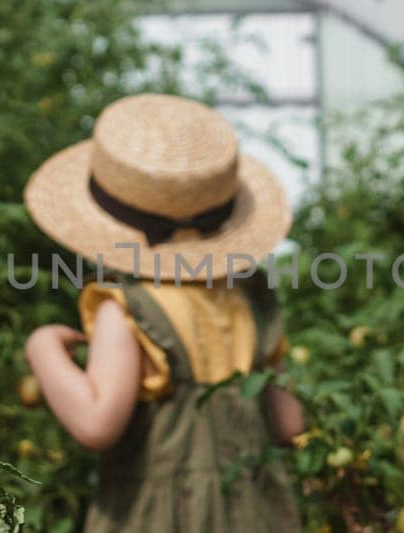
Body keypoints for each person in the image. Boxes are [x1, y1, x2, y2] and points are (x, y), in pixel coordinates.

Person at [22, 93, 306, 532]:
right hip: (258, 512)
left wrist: (43, 350)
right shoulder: (253, 298)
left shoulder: (132, 309)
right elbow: (290, 423)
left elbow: (97, 424)